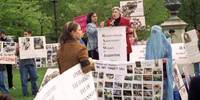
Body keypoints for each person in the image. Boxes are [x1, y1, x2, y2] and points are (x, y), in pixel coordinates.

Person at [145, 25, 173, 100]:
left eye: (156, 32)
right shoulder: (149, 43)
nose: (155, 35)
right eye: (153, 32)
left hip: (164, 73)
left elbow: (170, 58)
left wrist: (166, 60)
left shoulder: (166, 44)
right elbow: (147, 58)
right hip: (152, 73)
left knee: (164, 92)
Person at [15, 30, 38, 97]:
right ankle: (25, 93)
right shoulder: (20, 42)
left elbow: (39, 51)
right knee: (24, 80)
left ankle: (35, 91)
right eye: (24, 34)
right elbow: (16, 54)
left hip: (32, 63)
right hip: (23, 64)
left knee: (34, 78)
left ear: (30, 35)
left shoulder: (33, 42)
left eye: (26, 34)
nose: (24, 36)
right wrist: (17, 49)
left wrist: (43, 48)